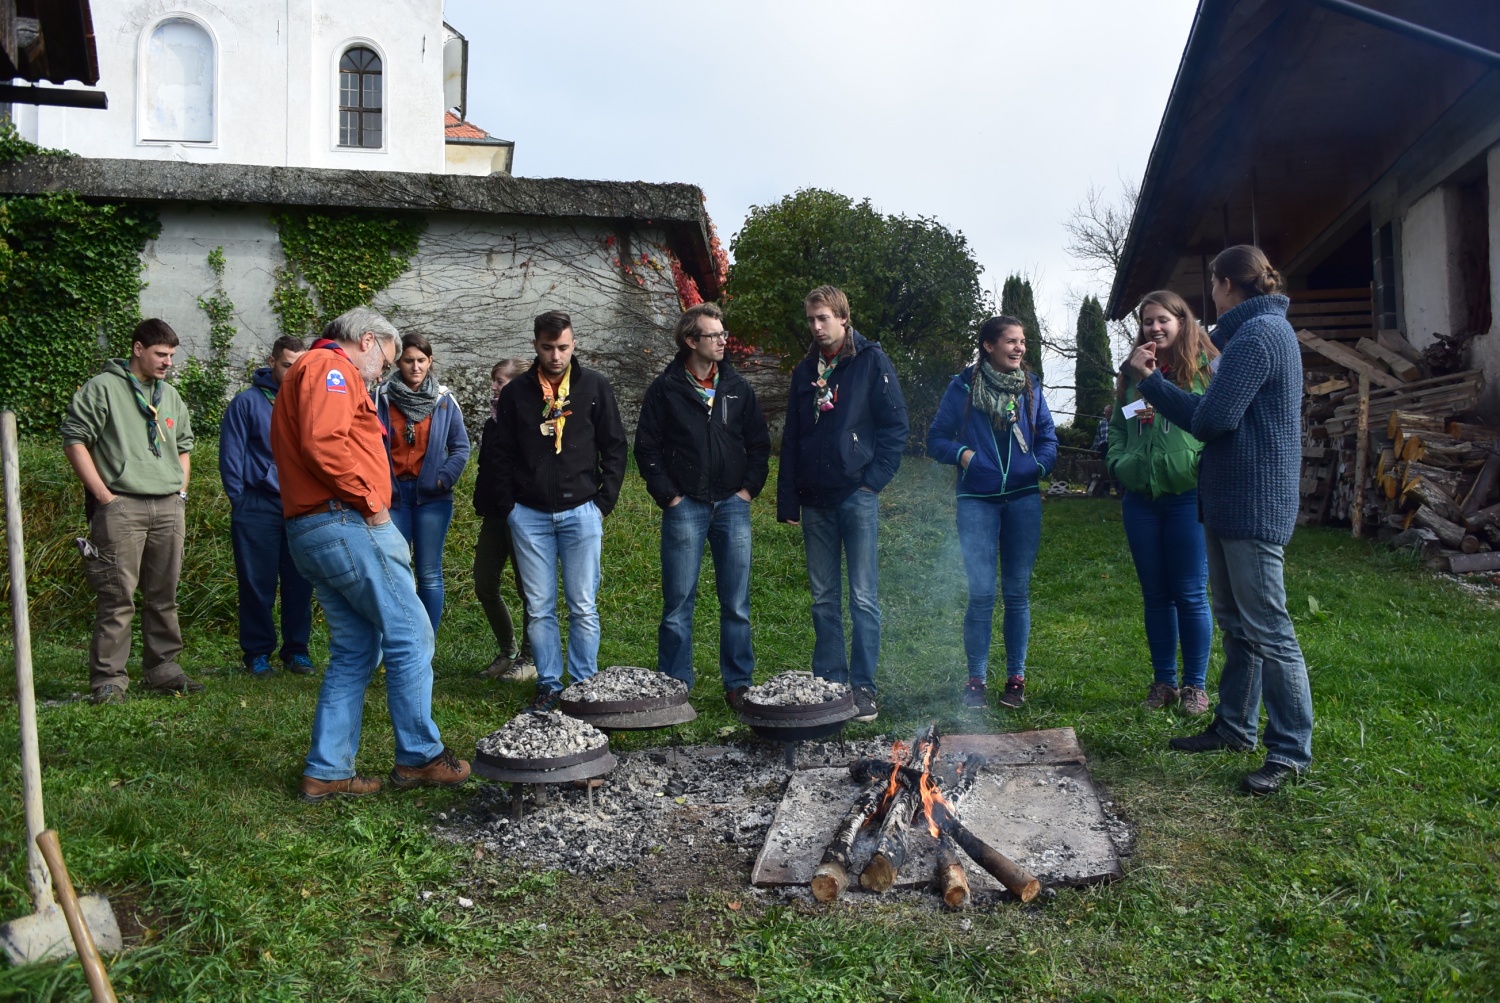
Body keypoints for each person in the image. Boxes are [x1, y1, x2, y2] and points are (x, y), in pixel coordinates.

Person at [1125, 245, 1313, 796]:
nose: (1210, 294)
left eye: (1212, 284)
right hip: (1233, 501)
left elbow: (1213, 420)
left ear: (1229, 283)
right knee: (1238, 625)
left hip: (1253, 503)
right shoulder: (1252, 335)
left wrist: (1152, 384)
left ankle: (1290, 750)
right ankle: (1234, 726)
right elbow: (1217, 418)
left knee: (1270, 630)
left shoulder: (1259, 337)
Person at [271, 306, 469, 804]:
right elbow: (325, 444)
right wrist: (372, 505)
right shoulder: (331, 368)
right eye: (388, 357)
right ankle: (420, 756)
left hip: (313, 527)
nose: (385, 370)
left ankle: (329, 770)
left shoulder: (307, 370)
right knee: (410, 631)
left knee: (356, 649)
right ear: (366, 340)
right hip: (344, 522)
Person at [776, 286, 908, 723]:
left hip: (856, 496)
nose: (816, 327)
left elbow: (895, 425)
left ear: (843, 319)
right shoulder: (803, 371)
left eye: (824, 319)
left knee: (863, 598)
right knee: (823, 599)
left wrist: (872, 482)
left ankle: (863, 688)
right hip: (815, 500)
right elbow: (792, 437)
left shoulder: (870, 361)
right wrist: (789, 499)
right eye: (811, 320)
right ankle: (830, 685)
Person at [635, 303, 771, 710]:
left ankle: (739, 684)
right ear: (691, 341)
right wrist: (670, 497)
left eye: (723, 334)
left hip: (732, 505)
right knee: (678, 603)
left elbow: (760, 445)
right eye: (714, 335)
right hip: (686, 507)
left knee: (736, 602)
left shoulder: (736, 387)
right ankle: (676, 687)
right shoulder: (665, 389)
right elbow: (646, 448)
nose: (723, 341)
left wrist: (748, 490)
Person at [491, 311, 628, 713]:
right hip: (529, 514)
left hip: (582, 510)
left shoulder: (593, 386)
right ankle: (549, 683)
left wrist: (603, 502)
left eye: (563, 347)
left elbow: (615, 446)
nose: (556, 356)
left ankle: (583, 681)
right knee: (540, 606)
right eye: (548, 347)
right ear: (535, 344)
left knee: (583, 604)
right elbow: (500, 453)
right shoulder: (517, 392)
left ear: (574, 344)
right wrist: (510, 507)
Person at [62, 319, 201, 703]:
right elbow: (75, 440)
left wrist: (181, 493)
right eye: (161, 354)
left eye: (172, 355)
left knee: (164, 593)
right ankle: (109, 680)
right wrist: (105, 497)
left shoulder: (169, 394)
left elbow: (184, 445)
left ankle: (163, 668)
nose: (167, 362)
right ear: (138, 349)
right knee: (117, 596)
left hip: (168, 507)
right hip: (122, 505)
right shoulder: (102, 388)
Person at [926, 316, 1057, 710]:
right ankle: (976, 681)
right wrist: (965, 456)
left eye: (1022, 343)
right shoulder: (963, 388)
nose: (1019, 349)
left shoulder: (1030, 389)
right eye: (1011, 342)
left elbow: (1049, 437)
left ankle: (1015, 680)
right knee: (982, 594)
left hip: (1023, 500)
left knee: (1016, 593)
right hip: (976, 501)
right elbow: (935, 439)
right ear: (988, 346)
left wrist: (1036, 468)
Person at [1108, 292, 1217, 716]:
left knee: (1190, 593)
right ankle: (1163, 683)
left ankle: (1195, 686)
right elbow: (1120, 424)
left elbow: (1217, 423)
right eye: (1148, 322)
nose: (1155, 328)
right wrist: (1121, 462)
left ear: (1182, 321)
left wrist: (1196, 463)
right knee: (1155, 595)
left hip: (1187, 496)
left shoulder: (1204, 371)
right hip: (1141, 500)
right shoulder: (1135, 372)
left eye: (1163, 320)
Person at [219, 335, 317, 678]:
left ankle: (297, 651)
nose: (293, 373)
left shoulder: (309, 401)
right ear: (272, 362)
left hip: (300, 505)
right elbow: (231, 456)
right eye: (287, 365)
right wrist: (241, 499)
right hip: (257, 506)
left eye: (299, 367)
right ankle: (258, 653)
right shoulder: (246, 403)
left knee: (300, 581)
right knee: (256, 583)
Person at [375, 332, 471, 634]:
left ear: (430, 362)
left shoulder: (443, 399)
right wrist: (380, 485)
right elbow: (369, 444)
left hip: (432, 498)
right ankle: (401, 639)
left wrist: (442, 480)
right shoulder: (382, 397)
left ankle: (425, 641)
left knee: (429, 572)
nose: (415, 367)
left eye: (421, 360)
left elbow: (461, 447)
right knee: (396, 571)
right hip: (394, 497)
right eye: (408, 361)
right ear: (398, 362)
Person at [473, 358, 535, 681]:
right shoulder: (492, 423)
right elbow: (487, 469)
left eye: (501, 381)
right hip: (495, 515)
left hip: (523, 515)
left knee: (529, 590)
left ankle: (530, 658)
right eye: (494, 381)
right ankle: (507, 650)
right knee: (484, 582)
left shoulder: (530, 421)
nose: (494, 387)